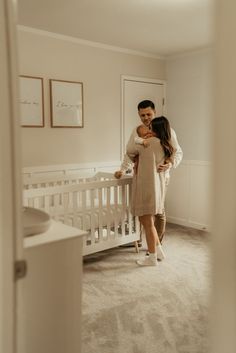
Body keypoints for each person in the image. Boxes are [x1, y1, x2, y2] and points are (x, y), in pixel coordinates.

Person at [114, 100, 183, 243]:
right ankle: (138, 239)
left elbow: (177, 152)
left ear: (155, 112)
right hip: (142, 175)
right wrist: (122, 169)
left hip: (159, 175)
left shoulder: (167, 130)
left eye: (148, 114)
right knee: (141, 208)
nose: (146, 118)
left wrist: (168, 164)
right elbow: (130, 153)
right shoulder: (137, 131)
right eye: (142, 115)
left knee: (158, 210)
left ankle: (157, 244)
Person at [126, 116, 175, 266]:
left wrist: (141, 139)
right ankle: (158, 249)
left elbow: (130, 149)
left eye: (151, 128)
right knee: (146, 220)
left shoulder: (148, 144)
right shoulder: (165, 145)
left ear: (155, 129)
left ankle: (152, 257)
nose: (148, 130)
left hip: (146, 185)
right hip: (157, 186)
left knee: (147, 222)